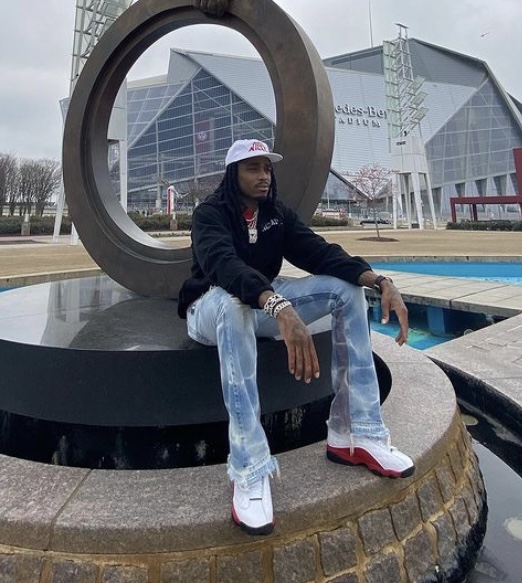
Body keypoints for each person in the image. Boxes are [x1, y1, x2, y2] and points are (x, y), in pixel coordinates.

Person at [177, 139, 414, 536]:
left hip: (264, 304)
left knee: (346, 291)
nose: (263, 176)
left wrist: (378, 280)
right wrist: (279, 307)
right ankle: (250, 469)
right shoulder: (209, 215)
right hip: (210, 307)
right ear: (233, 174)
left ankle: (355, 434)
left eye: (267, 168)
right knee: (235, 307)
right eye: (252, 168)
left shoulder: (276, 215)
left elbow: (320, 252)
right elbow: (224, 265)